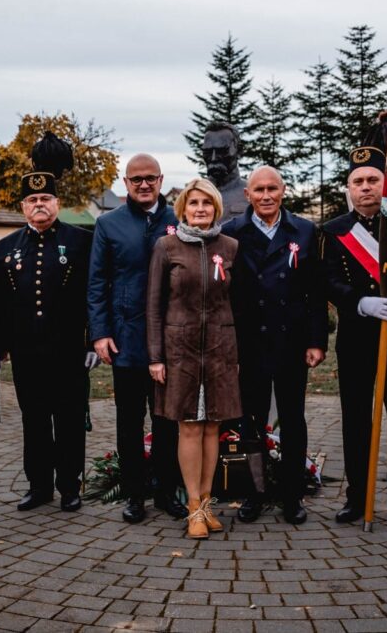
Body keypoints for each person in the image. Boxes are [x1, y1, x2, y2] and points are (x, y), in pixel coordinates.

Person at [0, 132, 96, 512]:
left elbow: (92, 295)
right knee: (34, 423)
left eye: (45, 199)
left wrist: (92, 340)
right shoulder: (6, 247)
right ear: (22, 206)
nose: (39, 205)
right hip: (27, 353)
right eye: (32, 200)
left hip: (68, 351)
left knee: (67, 422)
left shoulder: (81, 241)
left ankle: (70, 487)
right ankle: (39, 487)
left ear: (57, 202)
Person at [322, 147, 387, 529]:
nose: (365, 187)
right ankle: (357, 497)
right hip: (356, 339)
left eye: (372, 180)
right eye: (358, 181)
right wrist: (359, 302)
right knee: (357, 421)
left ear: (385, 184)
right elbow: (327, 281)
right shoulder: (332, 231)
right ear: (349, 187)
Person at [223, 166, 327, 525]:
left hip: (290, 342)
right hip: (249, 344)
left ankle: (292, 495)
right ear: (247, 195)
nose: (266, 196)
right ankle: (253, 493)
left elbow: (315, 292)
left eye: (272, 189)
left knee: (293, 421)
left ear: (283, 191)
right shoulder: (232, 233)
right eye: (258, 190)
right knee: (250, 423)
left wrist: (316, 340)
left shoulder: (304, 230)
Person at [88, 154, 187, 523]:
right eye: (136, 180)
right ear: (125, 183)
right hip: (126, 340)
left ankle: (166, 492)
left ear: (161, 180)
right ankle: (134, 495)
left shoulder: (178, 220)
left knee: (167, 423)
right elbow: (96, 283)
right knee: (129, 423)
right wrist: (100, 333)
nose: (143, 185)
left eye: (150, 178)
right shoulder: (108, 224)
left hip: (171, 340)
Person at [147, 178, 242, 539]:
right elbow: (153, 306)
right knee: (188, 425)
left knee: (213, 426)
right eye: (193, 203)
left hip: (219, 350)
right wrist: (156, 356)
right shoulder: (166, 246)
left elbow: (238, 303)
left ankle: (206, 501)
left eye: (206, 203)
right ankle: (193, 506)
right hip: (179, 352)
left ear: (216, 208)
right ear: (183, 208)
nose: (199, 209)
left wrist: (237, 354)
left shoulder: (230, 247)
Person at [201, 121, 249, 222]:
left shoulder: (253, 194)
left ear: (239, 151)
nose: (213, 158)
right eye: (208, 152)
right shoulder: (192, 195)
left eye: (222, 151)